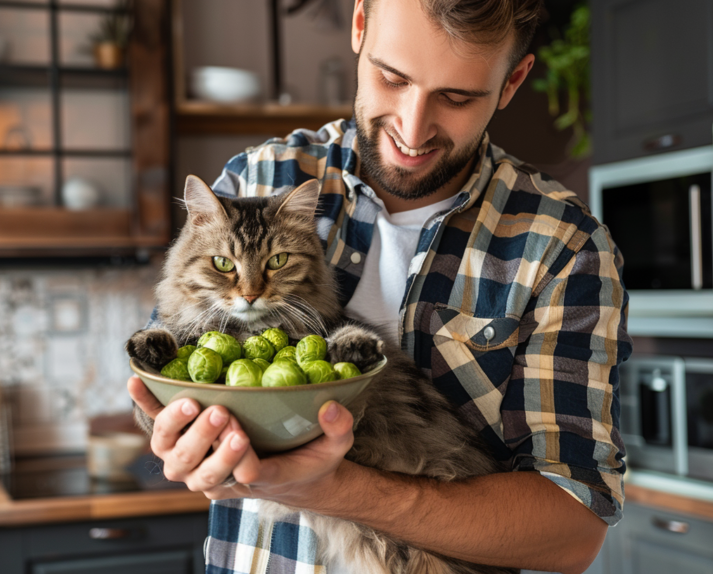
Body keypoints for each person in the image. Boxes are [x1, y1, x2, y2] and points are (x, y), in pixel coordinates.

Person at [127, 0, 631, 572]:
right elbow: (166, 375)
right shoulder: (258, 177)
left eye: (457, 97)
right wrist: (175, 433)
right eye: (393, 78)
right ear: (360, 27)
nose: (412, 130)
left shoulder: (564, 245)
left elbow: (571, 530)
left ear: (512, 81)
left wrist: (331, 488)